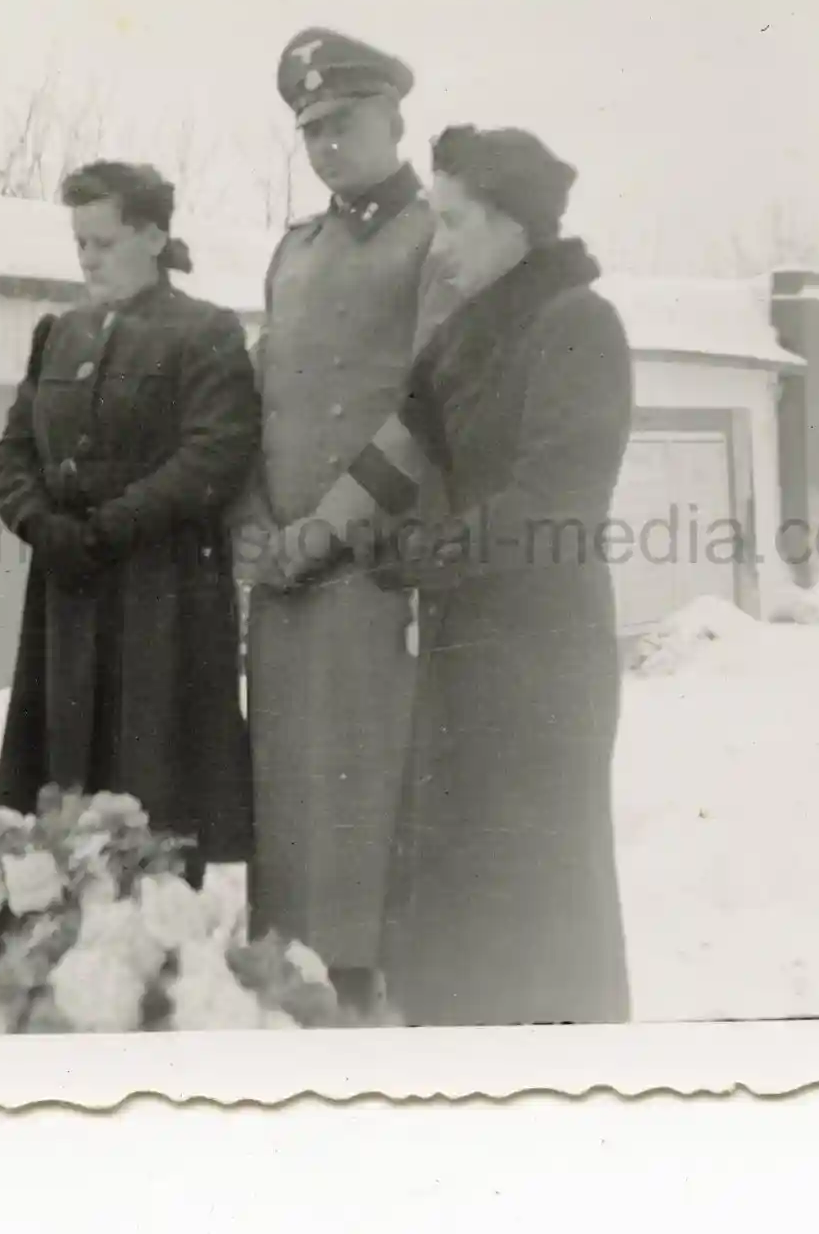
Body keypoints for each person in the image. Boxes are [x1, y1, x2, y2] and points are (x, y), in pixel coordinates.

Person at [295, 124, 634, 1026]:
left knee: (542, 878)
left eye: (453, 222)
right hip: (463, 643)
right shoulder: (465, 335)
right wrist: (325, 535)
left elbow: (554, 503)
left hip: (543, 655)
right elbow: (401, 447)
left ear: (512, 224)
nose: (437, 247)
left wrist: (422, 556)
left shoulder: (579, 324)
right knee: (459, 873)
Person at [231, 28, 440, 1011]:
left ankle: (372, 988)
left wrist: (324, 530)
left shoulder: (436, 237)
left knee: (370, 770)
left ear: (392, 120)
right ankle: (289, 969)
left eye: (341, 123)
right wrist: (250, 524)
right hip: (280, 573)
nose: (323, 144)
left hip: (371, 563)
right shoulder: (294, 250)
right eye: (308, 129)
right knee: (289, 776)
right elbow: (263, 396)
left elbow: (426, 411)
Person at [0, 161, 260, 879]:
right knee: (61, 791)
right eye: (79, 241)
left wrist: (110, 526)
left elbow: (215, 452)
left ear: (152, 235)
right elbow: (13, 445)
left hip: (159, 597)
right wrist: (35, 522)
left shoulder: (203, 331)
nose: (86, 258)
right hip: (65, 593)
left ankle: (155, 956)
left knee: (154, 788)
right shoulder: (59, 332)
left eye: (103, 242)